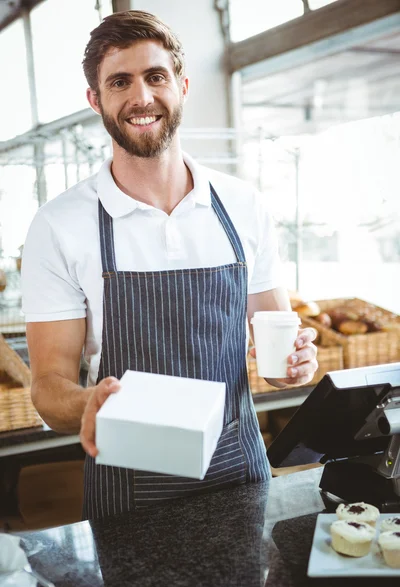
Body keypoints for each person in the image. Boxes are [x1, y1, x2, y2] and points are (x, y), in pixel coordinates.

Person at [21, 10, 318, 519]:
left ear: (181, 85)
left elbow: (276, 355)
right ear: (96, 100)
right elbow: (48, 387)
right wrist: (89, 404)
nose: (141, 97)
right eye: (120, 82)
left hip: (240, 476)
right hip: (128, 491)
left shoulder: (243, 206)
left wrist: (296, 367)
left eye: (155, 77)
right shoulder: (59, 225)